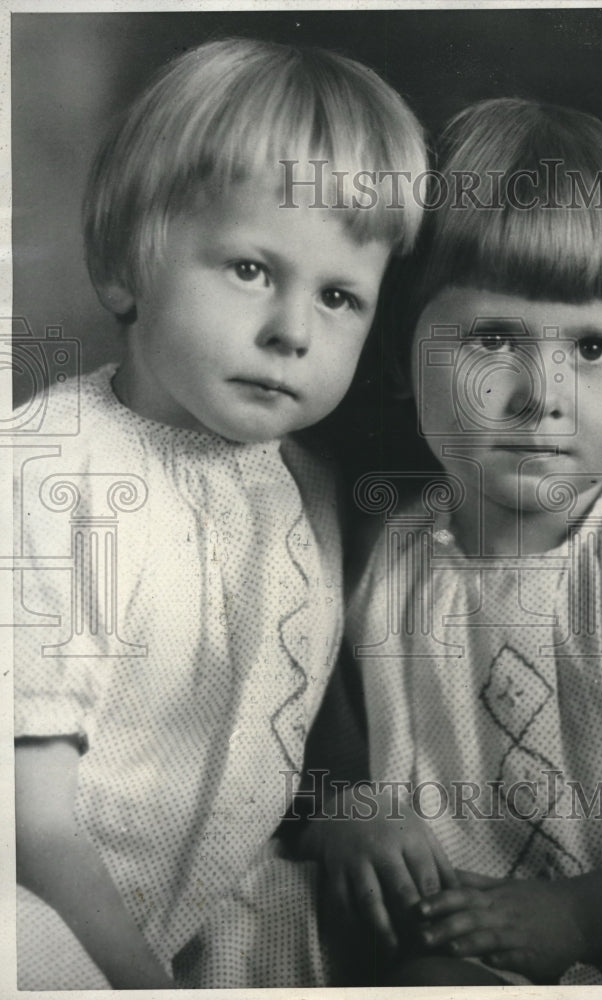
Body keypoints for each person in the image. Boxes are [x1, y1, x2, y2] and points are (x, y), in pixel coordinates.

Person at [13, 37, 427, 989]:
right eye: (249, 269)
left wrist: (345, 795)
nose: (293, 331)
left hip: (192, 909)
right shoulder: (54, 471)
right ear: (126, 265)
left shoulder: (305, 484)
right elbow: (27, 825)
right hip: (45, 910)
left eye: (338, 296)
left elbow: (293, 684)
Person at [302, 98, 602, 985]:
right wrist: (341, 806)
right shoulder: (384, 555)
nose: (543, 394)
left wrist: (581, 915)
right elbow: (316, 728)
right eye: (494, 337)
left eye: (592, 348)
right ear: (396, 355)